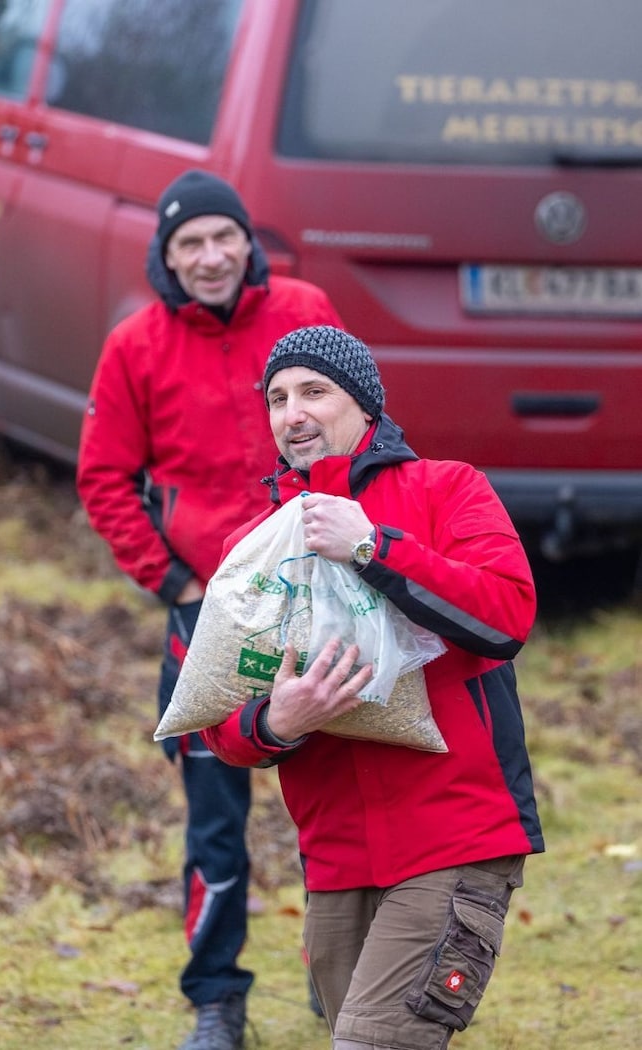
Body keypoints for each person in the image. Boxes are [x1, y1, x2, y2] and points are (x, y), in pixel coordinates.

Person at [202, 325, 545, 1049]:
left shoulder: (448, 489)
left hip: (454, 837)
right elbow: (218, 719)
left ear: (365, 408)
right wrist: (277, 722)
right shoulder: (257, 544)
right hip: (334, 860)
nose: (292, 412)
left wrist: (372, 547)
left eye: (314, 392)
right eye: (277, 398)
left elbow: (506, 616)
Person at [76, 173, 342, 1050]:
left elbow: (357, 428)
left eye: (222, 236)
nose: (209, 256)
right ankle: (216, 1000)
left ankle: (340, 977)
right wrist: (171, 580)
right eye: (189, 243)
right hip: (209, 617)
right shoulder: (134, 345)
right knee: (215, 814)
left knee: (337, 797)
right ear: (167, 256)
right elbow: (103, 477)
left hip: (316, 597)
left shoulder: (305, 308)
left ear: (247, 241)